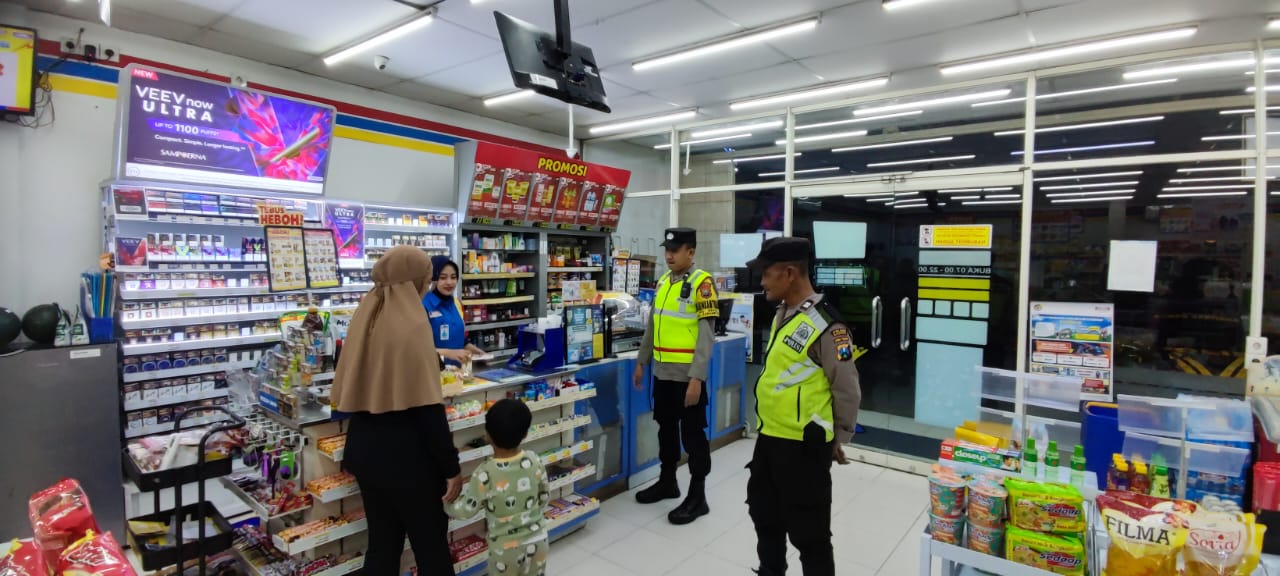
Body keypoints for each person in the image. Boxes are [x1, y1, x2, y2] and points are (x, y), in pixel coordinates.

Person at [332, 246, 463, 576]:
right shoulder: (414, 325)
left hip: (366, 455)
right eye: (426, 280)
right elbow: (427, 408)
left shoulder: (366, 314)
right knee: (431, 549)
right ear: (415, 281)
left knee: (382, 546)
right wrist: (450, 467)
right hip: (409, 463)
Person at [745, 237, 862, 576]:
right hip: (770, 439)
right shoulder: (783, 314)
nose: (762, 281)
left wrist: (838, 437)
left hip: (804, 448)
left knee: (810, 536)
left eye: (767, 273)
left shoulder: (828, 326)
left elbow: (847, 388)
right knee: (764, 516)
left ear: (790, 273)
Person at [631, 227, 719, 525]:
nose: (669, 255)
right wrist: (642, 361)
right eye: (667, 250)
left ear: (690, 252)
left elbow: (706, 336)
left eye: (675, 250)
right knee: (665, 429)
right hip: (663, 373)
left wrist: (697, 378)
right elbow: (653, 325)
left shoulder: (702, 283)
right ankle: (667, 481)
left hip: (687, 377)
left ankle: (698, 496)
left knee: (693, 436)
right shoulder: (664, 281)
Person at [447, 399, 551, 576]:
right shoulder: (534, 460)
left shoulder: (485, 473)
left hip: (505, 550)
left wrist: (447, 503)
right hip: (539, 541)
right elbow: (543, 497)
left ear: (487, 435)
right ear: (526, 434)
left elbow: (465, 511)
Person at [423, 255, 485, 366]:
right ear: (434, 279)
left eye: (453, 277)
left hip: (458, 372)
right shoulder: (424, 305)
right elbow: (418, 349)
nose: (449, 282)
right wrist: (449, 353)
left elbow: (460, 339)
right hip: (434, 371)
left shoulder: (456, 303)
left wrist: (475, 351)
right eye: (443, 278)